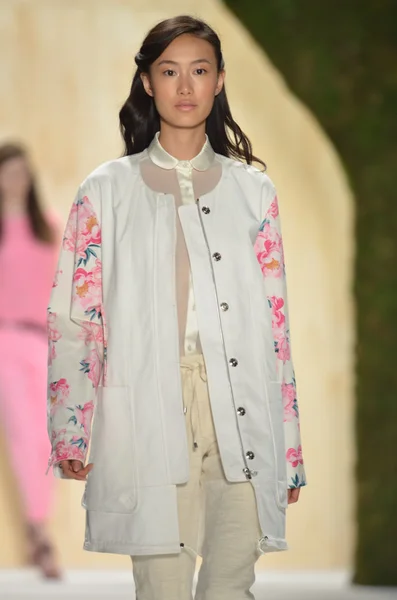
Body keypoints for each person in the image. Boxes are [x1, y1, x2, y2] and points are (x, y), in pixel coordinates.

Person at [47, 15, 306, 600]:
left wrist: (290, 451)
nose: (185, 87)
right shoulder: (106, 190)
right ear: (146, 82)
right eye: (169, 71)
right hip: (148, 406)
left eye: (199, 71)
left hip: (242, 410)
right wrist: (70, 431)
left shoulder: (253, 192)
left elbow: (276, 330)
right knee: (161, 588)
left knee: (229, 587)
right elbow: (74, 319)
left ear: (218, 82)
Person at [0, 142, 62, 579]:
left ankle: (37, 525)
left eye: (23, 171)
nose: (16, 179)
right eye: (9, 171)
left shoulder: (50, 228)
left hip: (45, 344)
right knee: (24, 435)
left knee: (48, 439)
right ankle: (39, 533)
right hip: (4, 341)